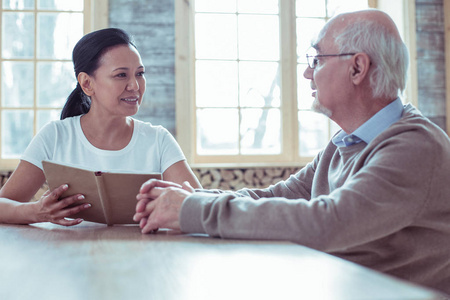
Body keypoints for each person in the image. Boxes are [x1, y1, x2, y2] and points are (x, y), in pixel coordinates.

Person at [133, 9, 450, 294]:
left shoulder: (415, 146)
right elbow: (278, 195)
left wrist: (193, 211)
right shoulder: (344, 143)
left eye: (316, 60)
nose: (307, 73)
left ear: (357, 68)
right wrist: (191, 200)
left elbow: (328, 222)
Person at [0, 28, 201, 226]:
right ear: (87, 83)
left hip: (143, 254)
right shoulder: (54, 136)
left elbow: (200, 207)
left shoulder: (158, 140)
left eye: (140, 73)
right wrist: (36, 212)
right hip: (66, 256)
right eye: (121, 75)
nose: (135, 86)